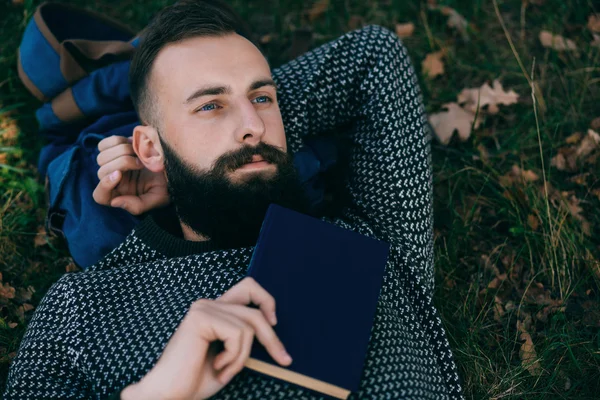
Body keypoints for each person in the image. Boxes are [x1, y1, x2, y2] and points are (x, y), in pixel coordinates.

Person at [4, 0, 464, 399]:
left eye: (263, 98)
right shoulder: (83, 309)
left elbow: (373, 57)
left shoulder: (375, 237)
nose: (255, 125)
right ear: (149, 147)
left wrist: (185, 164)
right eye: (210, 105)